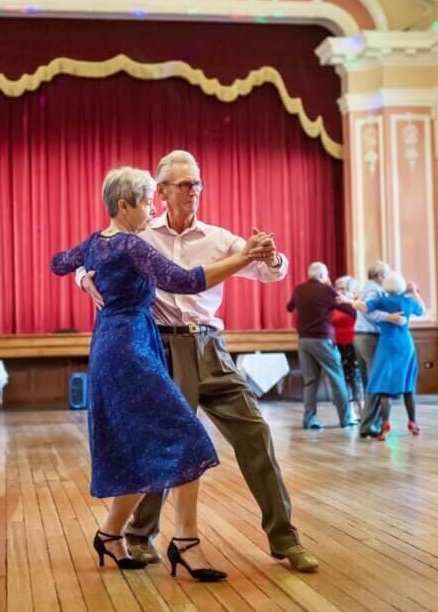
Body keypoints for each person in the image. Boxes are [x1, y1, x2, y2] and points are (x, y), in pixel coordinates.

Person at [78, 150, 319, 573]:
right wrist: (84, 278)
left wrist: (271, 255)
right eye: (185, 184)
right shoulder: (139, 235)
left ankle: (285, 539)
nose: (194, 191)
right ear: (162, 190)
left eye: (198, 184)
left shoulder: (218, 237)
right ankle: (140, 535)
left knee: (256, 433)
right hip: (162, 349)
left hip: (211, 347)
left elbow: (270, 271)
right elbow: (90, 255)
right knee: (165, 443)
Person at [54, 166, 273, 581]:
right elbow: (185, 281)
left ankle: (111, 533)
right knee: (189, 440)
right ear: (125, 205)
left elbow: (57, 262)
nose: (152, 209)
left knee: (150, 445)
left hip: (108, 346)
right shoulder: (134, 247)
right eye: (147, 202)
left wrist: (85, 273)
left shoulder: (96, 243)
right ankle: (185, 542)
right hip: (132, 351)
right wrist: (242, 257)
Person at [349, 273, 425, 439]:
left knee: (384, 387)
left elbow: (363, 308)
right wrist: (415, 293)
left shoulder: (382, 301)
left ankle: (385, 425)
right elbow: (422, 310)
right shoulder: (408, 301)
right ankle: (413, 423)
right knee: (407, 387)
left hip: (386, 345)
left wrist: (354, 301)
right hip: (405, 345)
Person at [286, 262, 356, 428]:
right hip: (322, 339)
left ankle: (309, 419)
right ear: (322, 276)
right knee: (337, 378)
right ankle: (345, 419)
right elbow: (351, 311)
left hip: (303, 340)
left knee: (310, 381)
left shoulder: (299, 289)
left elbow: (290, 307)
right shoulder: (327, 290)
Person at [353, 261, 406, 438]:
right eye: (387, 274)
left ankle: (369, 423)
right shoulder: (374, 290)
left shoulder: (368, 288)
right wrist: (389, 317)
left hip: (362, 336)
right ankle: (368, 425)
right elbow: (368, 312)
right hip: (369, 337)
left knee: (371, 381)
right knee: (376, 382)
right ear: (380, 276)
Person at [333, 275, 363, 420]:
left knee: (356, 378)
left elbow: (357, 314)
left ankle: (362, 409)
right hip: (337, 345)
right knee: (343, 380)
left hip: (354, 344)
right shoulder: (333, 304)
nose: (340, 291)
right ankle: (348, 411)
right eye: (337, 288)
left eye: (343, 288)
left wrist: (347, 301)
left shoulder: (355, 304)